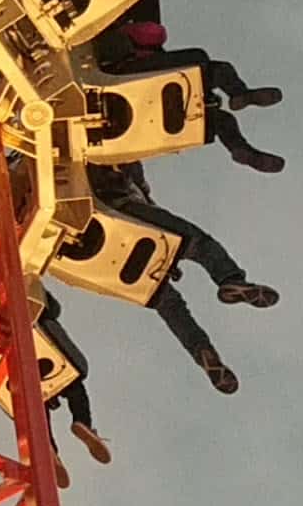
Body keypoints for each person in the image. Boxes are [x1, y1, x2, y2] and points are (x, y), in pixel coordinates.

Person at [87, 164, 278, 393]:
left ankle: (227, 291)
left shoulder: (122, 171)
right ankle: (204, 343)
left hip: (116, 218)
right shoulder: (132, 177)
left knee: (180, 272)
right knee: (175, 290)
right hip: (125, 216)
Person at [93, 21, 285, 174]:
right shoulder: (120, 43)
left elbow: (154, 32)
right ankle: (240, 100)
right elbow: (154, 32)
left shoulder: (128, 43)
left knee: (213, 82)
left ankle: (243, 141)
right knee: (216, 78)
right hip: (132, 82)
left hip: (140, 89)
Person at [39, 289, 111, 468]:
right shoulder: (30, 284)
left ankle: (47, 445)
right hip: (45, 334)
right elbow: (54, 308)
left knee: (38, 401)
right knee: (74, 386)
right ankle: (82, 422)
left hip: (16, 347)